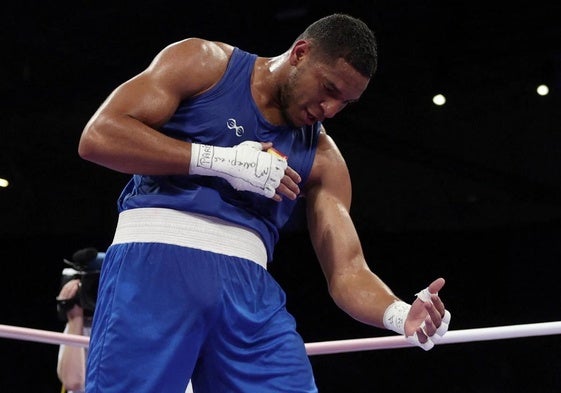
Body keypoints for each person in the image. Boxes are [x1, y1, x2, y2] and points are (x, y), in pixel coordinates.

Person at [78, 13, 451, 393]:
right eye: (328, 88)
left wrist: (400, 314)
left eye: (345, 102)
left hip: (249, 296)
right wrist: (222, 161)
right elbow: (99, 137)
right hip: (155, 268)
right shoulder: (204, 63)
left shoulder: (322, 157)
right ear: (301, 53)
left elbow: (348, 272)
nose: (330, 109)